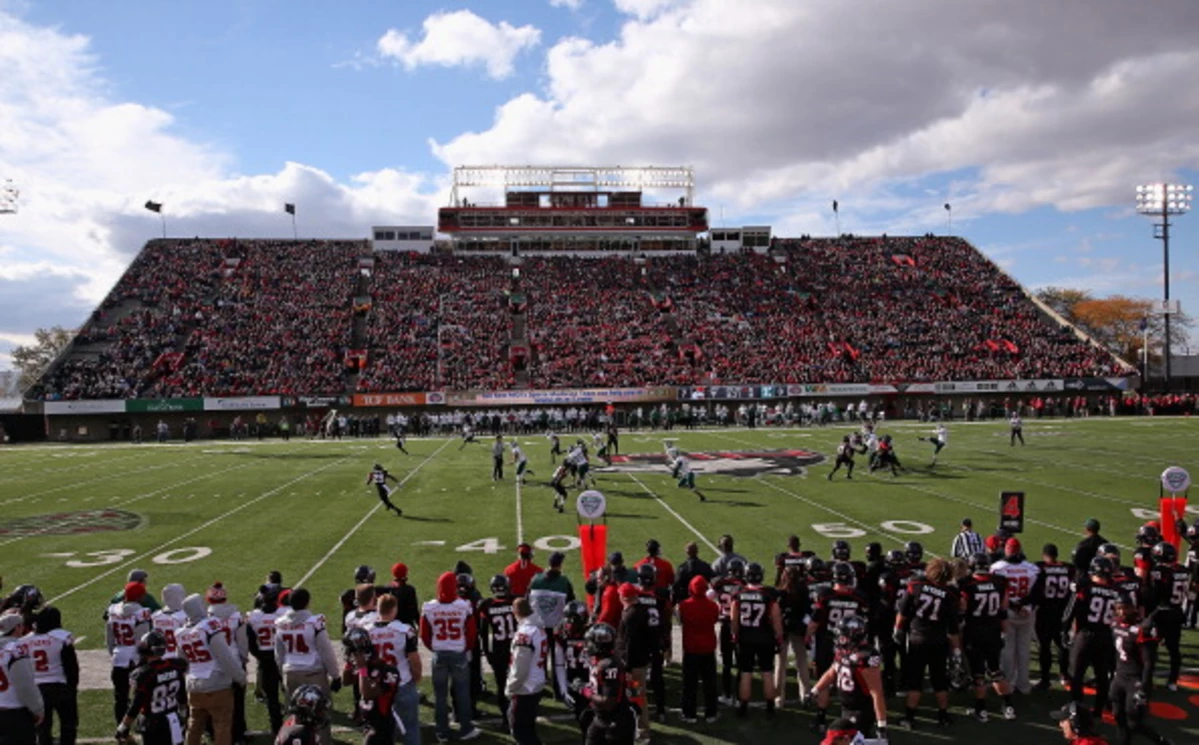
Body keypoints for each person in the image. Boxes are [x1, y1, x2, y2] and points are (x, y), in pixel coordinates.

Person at [895, 558, 962, 730]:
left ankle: (909, 717)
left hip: (918, 637)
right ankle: (943, 715)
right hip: (939, 640)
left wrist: (898, 629)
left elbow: (903, 612)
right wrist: (956, 650)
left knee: (915, 681)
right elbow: (953, 627)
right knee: (940, 680)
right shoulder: (952, 594)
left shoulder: (916, 584)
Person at [273, 589, 339, 745]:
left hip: (290, 672)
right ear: (308, 602)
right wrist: (335, 675)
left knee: (296, 714)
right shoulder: (314, 623)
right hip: (313, 672)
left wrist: (282, 675)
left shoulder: (281, 623)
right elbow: (326, 650)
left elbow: (279, 655)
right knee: (320, 715)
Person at [179, 593, 246, 745]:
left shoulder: (181, 632)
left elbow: (182, 663)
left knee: (194, 726)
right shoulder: (209, 626)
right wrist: (240, 677)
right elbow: (224, 656)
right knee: (222, 725)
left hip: (193, 685)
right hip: (216, 684)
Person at [420, 572, 480, 742]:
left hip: (439, 653)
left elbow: (424, 634)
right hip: (458, 653)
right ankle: (466, 728)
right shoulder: (464, 605)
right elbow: (471, 633)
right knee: (462, 692)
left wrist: (436, 647)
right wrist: (463, 648)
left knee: (440, 695)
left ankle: (442, 731)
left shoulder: (429, 607)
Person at [1109, 593, 1174, 745]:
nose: (1121, 612)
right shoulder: (1114, 624)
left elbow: (1148, 662)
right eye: (1118, 608)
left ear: (1132, 608)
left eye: (1125, 608)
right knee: (1117, 715)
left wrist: (1144, 687)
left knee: (1134, 722)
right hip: (1119, 676)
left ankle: (1162, 741)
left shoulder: (1141, 630)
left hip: (1135, 680)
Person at [959, 553, 1017, 722]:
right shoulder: (999, 582)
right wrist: (1004, 631)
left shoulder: (966, 584)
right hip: (993, 630)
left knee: (978, 673)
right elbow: (1003, 608)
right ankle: (1008, 707)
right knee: (995, 669)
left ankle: (981, 709)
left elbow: (962, 608)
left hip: (974, 631)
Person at [810, 617, 887, 740]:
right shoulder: (844, 650)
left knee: (849, 740)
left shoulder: (866, 656)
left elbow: (876, 693)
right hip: (846, 707)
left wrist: (881, 726)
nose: (840, 638)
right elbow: (832, 671)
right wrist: (815, 690)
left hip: (861, 710)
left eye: (843, 635)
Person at [1064, 556, 1121, 718]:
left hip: (1085, 635)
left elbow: (1071, 610)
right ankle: (1098, 712)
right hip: (1105, 635)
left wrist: (1064, 631)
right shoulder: (1116, 590)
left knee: (1077, 675)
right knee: (1102, 676)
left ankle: (1078, 710)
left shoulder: (1084, 586)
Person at [730, 562, 783, 719]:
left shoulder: (739, 594)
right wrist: (779, 638)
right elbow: (776, 619)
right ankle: (770, 706)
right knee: (767, 672)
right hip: (765, 638)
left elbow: (734, 619)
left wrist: (735, 635)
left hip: (746, 638)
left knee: (746, 673)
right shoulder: (769, 595)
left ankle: (743, 706)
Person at [116, 631, 187, 745]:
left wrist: (124, 725)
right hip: (173, 720)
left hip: (152, 723)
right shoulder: (176, 667)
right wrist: (183, 717)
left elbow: (136, 704)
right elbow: (182, 697)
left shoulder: (144, 674)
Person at [368, 594, 421, 745]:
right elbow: (414, 660)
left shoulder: (367, 631)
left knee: (382, 730)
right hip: (402, 683)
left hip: (378, 687)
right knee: (410, 728)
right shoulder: (404, 630)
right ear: (394, 609)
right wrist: (415, 678)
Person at [990, 538, 1040, 694]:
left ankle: (1009, 683)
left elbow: (997, 592)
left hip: (1008, 612)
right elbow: (1037, 593)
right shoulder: (1032, 569)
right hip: (1026, 611)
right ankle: (1023, 684)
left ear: (1006, 549)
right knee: (1024, 649)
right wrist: (1024, 606)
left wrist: (1014, 606)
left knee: (1008, 649)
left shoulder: (998, 568)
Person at [206, 582, 249, 744]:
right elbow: (242, 642)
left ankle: (215, 734)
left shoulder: (206, 617)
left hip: (215, 664)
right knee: (238, 703)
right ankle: (238, 735)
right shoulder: (236, 616)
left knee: (216, 704)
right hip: (235, 660)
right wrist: (243, 660)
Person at [342, 628, 400, 745]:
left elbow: (367, 694)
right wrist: (350, 663)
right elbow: (346, 681)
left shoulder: (388, 671)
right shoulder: (366, 667)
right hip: (367, 724)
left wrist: (362, 668)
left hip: (381, 729)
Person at [28, 606, 77, 745]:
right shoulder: (61, 638)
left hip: (37, 688)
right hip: (59, 685)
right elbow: (71, 667)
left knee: (43, 728)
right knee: (68, 724)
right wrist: (72, 688)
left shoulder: (25, 641)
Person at [1031, 543, 1075, 690]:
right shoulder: (1068, 568)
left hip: (1045, 611)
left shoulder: (1040, 568)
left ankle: (1045, 678)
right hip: (1062, 612)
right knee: (1062, 645)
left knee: (1044, 646)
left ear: (1044, 555)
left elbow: (1035, 590)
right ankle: (1064, 675)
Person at [107, 583, 152, 726]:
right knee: (143, 696)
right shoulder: (142, 613)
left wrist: (114, 653)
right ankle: (142, 726)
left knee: (120, 698)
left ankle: (121, 729)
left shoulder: (113, 609)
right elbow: (142, 640)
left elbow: (109, 639)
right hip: (136, 659)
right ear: (140, 597)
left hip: (118, 657)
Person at [584, 623, 636, 745]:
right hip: (601, 718)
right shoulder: (601, 660)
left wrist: (585, 691)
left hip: (616, 722)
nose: (588, 646)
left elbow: (608, 702)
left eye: (591, 642)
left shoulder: (610, 665)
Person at [677, 576, 719, 724]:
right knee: (710, 683)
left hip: (691, 649)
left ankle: (689, 714)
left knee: (689, 684)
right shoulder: (713, 606)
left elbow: (681, 621)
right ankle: (711, 713)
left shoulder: (683, 605)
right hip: (708, 648)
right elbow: (714, 619)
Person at [1146, 541, 1188, 691]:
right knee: (1174, 649)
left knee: (1150, 648)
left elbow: (1155, 594)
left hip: (1161, 613)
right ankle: (1172, 681)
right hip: (1177, 612)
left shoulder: (1158, 571)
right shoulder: (1182, 569)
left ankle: (1147, 680)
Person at [506, 598, 548, 745]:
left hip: (525, 686)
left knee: (519, 730)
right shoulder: (538, 628)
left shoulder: (525, 633)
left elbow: (520, 667)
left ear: (516, 612)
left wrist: (511, 687)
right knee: (528, 728)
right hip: (537, 681)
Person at [614, 582, 652, 742]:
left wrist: (627, 668)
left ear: (624, 597)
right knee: (635, 697)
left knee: (637, 697)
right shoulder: (642, 611)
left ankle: (643, 732)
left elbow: (629, 645)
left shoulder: (629, 616)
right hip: (640, 661)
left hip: (633, 666)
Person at [0, 611, 43, 745]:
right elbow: (25, 685)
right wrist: (37, 709)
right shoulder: (15, 649)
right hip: (14, 713)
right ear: (17, 627)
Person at [479, 575, 517, 725]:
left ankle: (506, 720)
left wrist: (487, 653)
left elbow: (482, 632)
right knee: (519, 684)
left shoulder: (487, 605)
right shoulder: (515, 601)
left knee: (502, 686)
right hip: (516, 649)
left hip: (498, 650)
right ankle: (519, 716)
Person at [247, 584, 285, 735]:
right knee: (291, 693)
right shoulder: (284, 613)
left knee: (272, 697)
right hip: (284, 658)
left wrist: (260, 656)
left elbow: (251, 643)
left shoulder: (254, 616)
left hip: (266, 658)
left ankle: (276, 727)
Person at [773, 565, 810, 709]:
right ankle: (805, 694)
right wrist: (804, 627)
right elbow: (809, 612)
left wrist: (778, 630)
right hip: (798, 629)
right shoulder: (803, 590)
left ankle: (778, 698)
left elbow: (776, 613)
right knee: (801, 661)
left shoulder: (780, 592)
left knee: (780, 664)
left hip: (784, 629)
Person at [711, 558, 745, 706]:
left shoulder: (720, 583)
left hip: (725, 624)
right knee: (741, 664)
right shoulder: (743, 586)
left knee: (726, 663)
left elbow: (707, 596)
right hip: (741, 626)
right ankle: (739, 696)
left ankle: (726, 694)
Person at [555, 601, 592, 735]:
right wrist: (564, 690)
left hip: (591, 682)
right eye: (568, 618)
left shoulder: (592, 633)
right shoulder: (562, 634)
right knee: (582, 719)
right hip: (573, 682)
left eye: (573, 618)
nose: (569, 622)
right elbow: (559, 664)